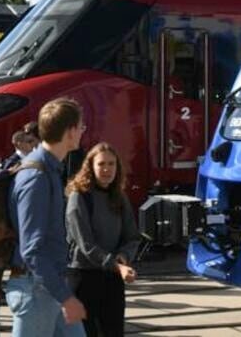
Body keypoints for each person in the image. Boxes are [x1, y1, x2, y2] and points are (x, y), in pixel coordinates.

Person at [6, 97, 87, 337]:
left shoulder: (47, 169)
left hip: (48, 285)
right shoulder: (37, 177)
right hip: (37, 289)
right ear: (70, 132)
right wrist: (66, 298)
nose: (83, 132)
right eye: (81, 127)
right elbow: (32, 249)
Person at [65, 142, 139, 337]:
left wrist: (124, 256)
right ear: (90, 167)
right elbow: (86, 245)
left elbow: (132, 236)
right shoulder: (79, 197)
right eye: (101, 164)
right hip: (84, 278)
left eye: (111, 164)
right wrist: (117, 265)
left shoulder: (119, 197)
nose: (107, 169)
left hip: (112, 278)